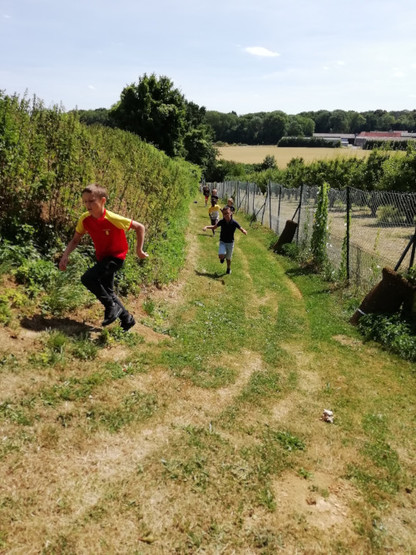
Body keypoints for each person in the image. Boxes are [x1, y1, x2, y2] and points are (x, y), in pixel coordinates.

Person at [59, 184, 148, 331]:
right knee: (108, 291)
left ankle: (111, 306)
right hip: (102, 258)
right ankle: (127, 320)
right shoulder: (85, 219)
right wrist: (65, 255)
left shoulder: (111, 218)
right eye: (85, 201)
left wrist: (139, 250)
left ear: (103, 201)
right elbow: (75, 239)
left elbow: (140, 227)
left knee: (87, 278)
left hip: (116, 257)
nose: (88, 205)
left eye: (91, 201)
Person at [202, 205, 247, 274]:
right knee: (221, 255)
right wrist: (206, 227)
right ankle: (222, 257)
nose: (226, 215)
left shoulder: (234, 223)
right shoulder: (222, 222)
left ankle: (228, 268)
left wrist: (244, 231)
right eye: (224, 213)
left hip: (230, 243)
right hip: (222, 241)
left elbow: (240, 228)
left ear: (231, 213)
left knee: (228, 259)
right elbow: (214, 227)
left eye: (227, 213)